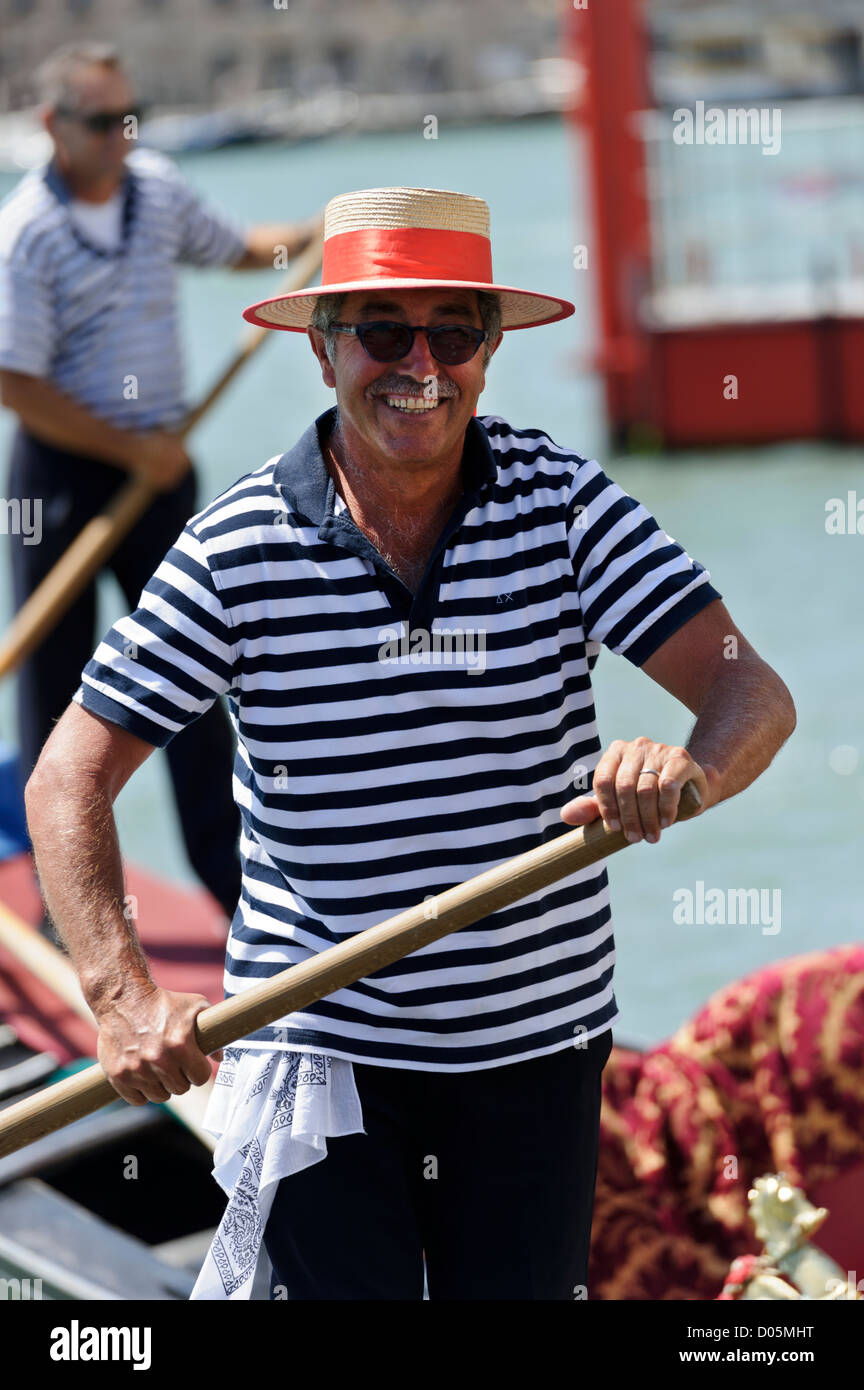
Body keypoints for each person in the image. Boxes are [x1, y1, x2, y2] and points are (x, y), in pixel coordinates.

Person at [23, 185, 796, 1301]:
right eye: (384, 330)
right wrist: (123, 999)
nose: (420, 364)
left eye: (455, 331)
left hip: (537, 1046)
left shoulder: (567, 506)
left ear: (489, 349)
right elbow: (68, 779)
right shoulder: (235, 545)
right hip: (317, 1045)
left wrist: (689, 770)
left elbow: (750, 693)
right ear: (325, 351)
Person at [0, 42, 320, 922]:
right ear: (53, 126)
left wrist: (316, 232)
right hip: (61, 478)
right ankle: (61, 910)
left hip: (160, 471)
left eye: (128, 119)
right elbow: (14, 382)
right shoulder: (28, 231)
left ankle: (233, 890)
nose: (120, 138)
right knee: (59, 697)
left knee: (191, 684)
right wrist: (125, 448)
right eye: (102, 122)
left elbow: (236, 251)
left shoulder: (158, 191)